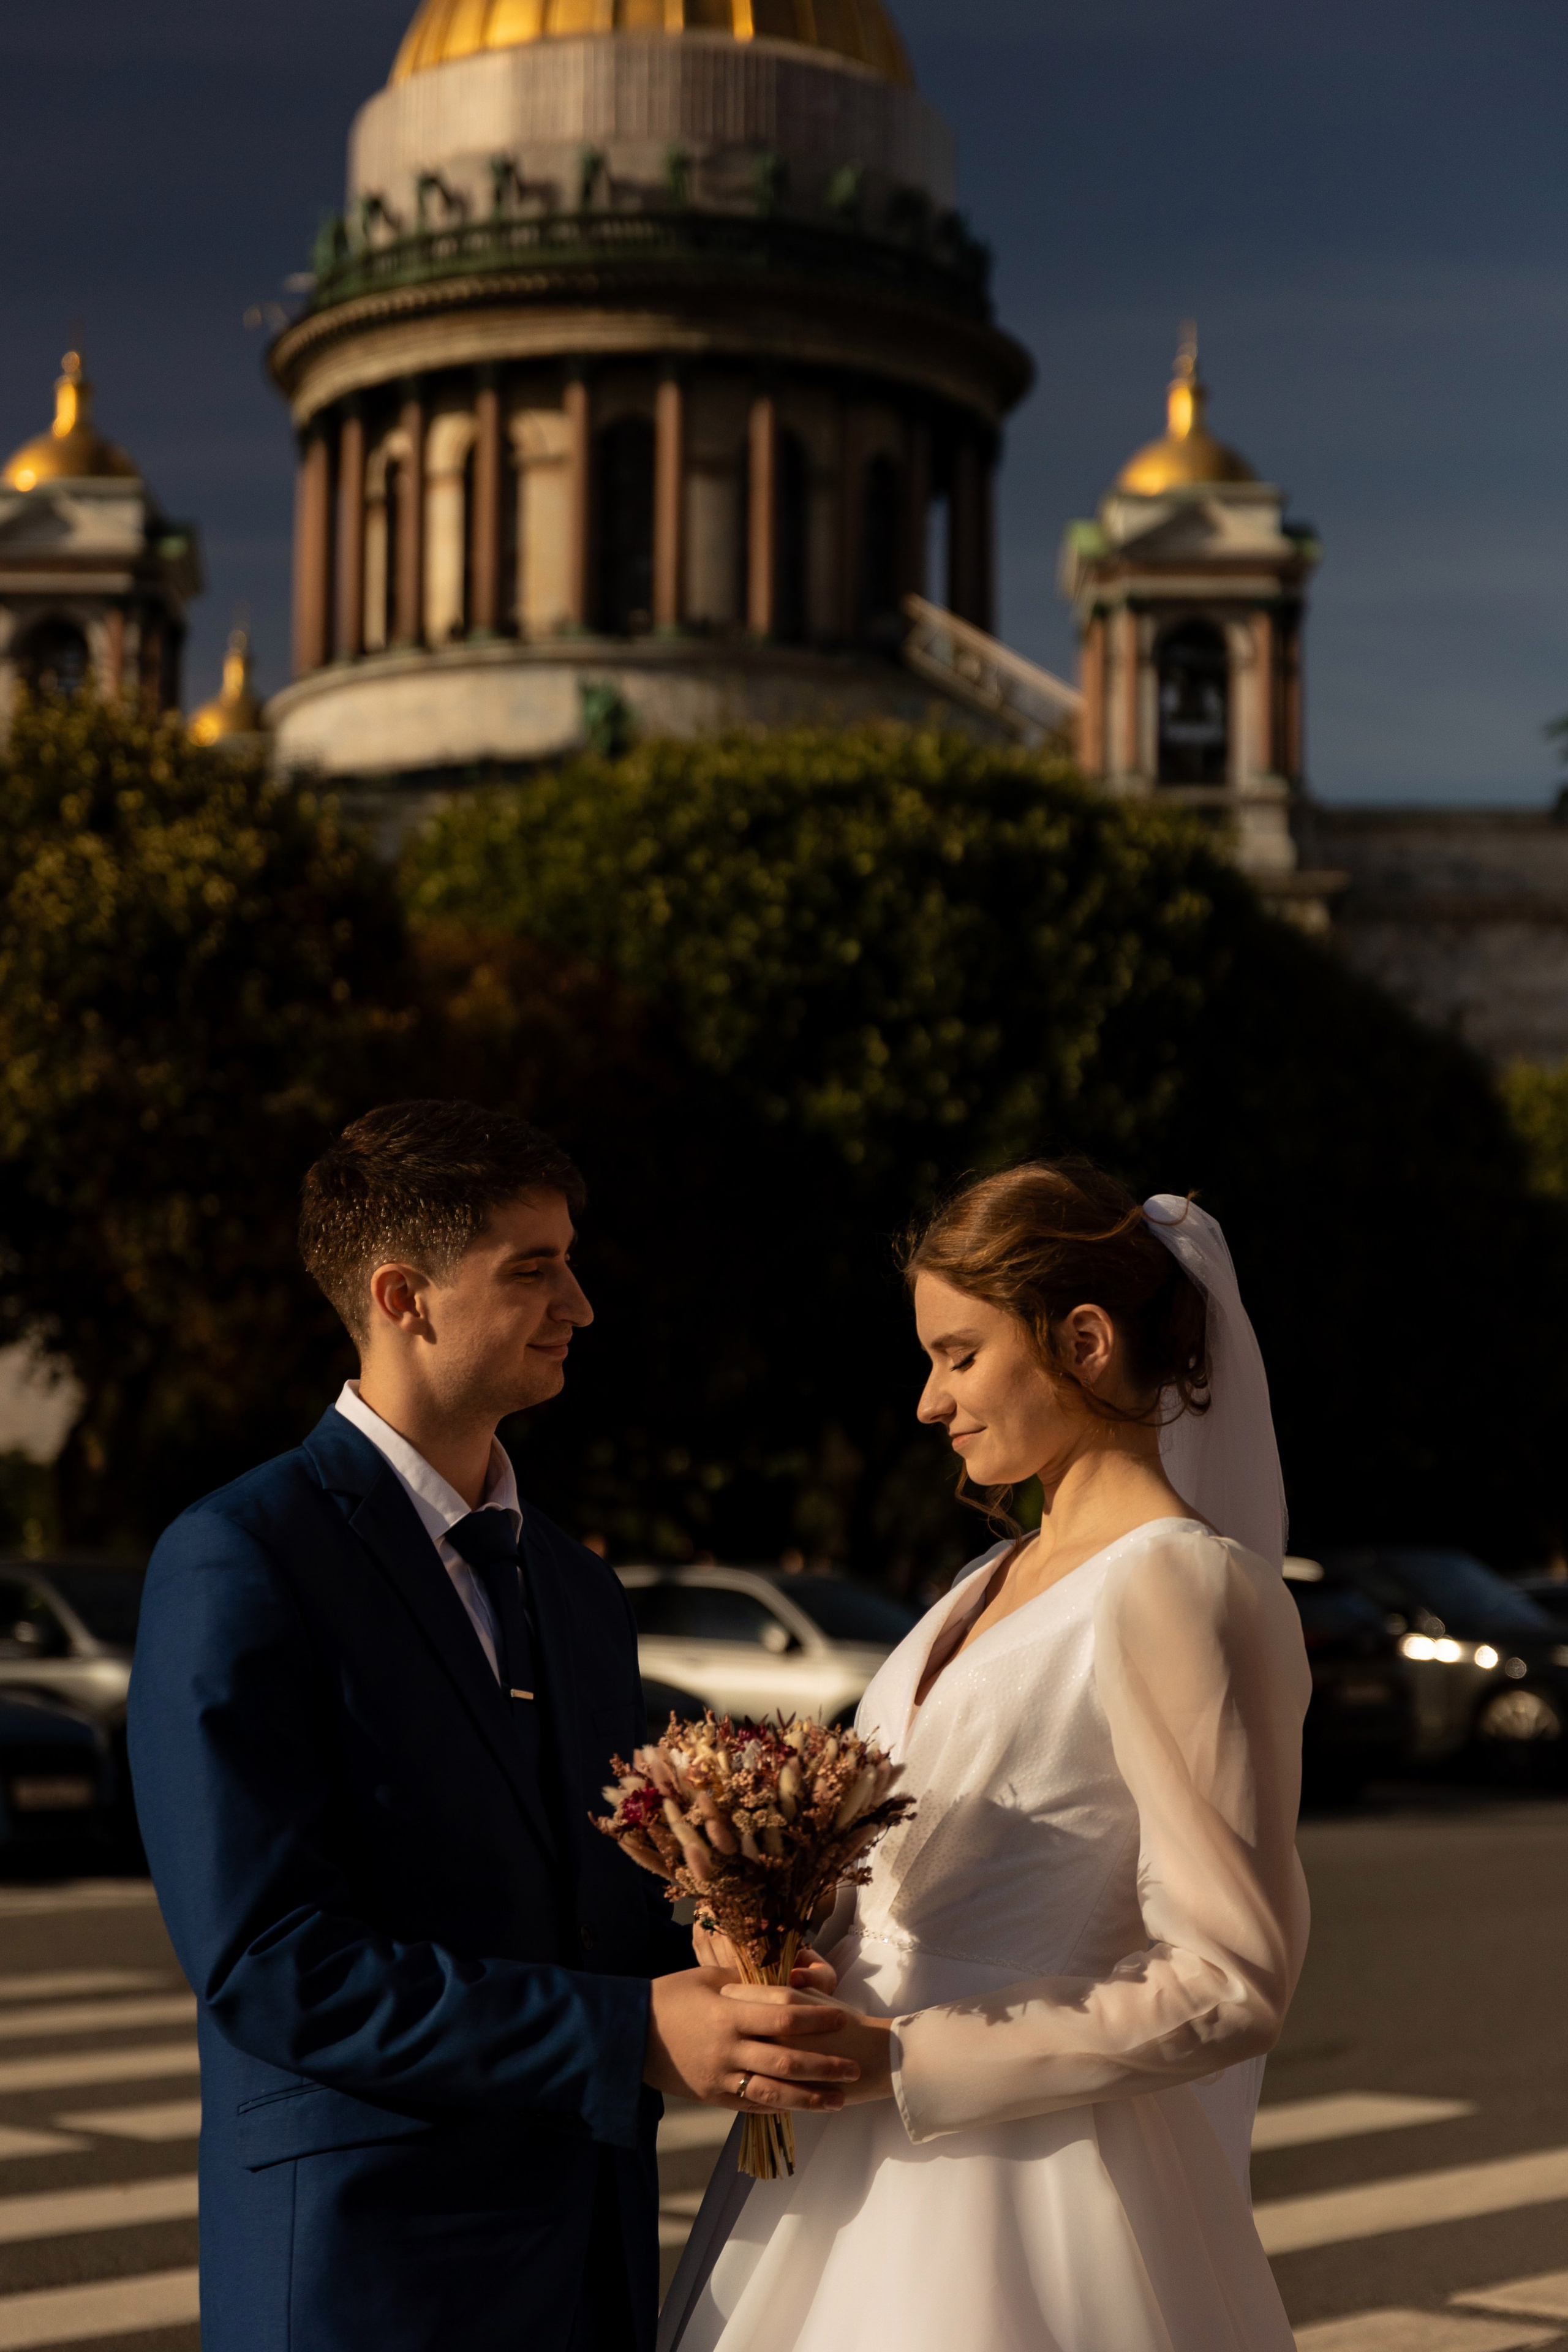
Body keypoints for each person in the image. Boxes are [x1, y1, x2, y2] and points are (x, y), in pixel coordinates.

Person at [128, 1100, 854, 2352]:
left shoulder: (576, 1586)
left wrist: (722, 1952)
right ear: (402, 1296)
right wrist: (634, 2033)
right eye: (533, 1269)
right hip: (370, 2269)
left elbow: (585, 1905)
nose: (580, 1305)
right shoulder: (241, 1557)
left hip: (587, 2260)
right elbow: (272, 1966)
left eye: (570, 1263)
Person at [662, 1160, 1311, 2352]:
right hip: (841, 2167)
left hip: (1025, 2185)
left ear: (1084, 1342)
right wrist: (772, 1940)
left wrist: (904, 2060)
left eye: (958, 1355)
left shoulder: (1179, 1583)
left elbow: (1231, 1981)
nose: (928, 1402)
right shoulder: (982, 1579)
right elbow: (906, 1883)